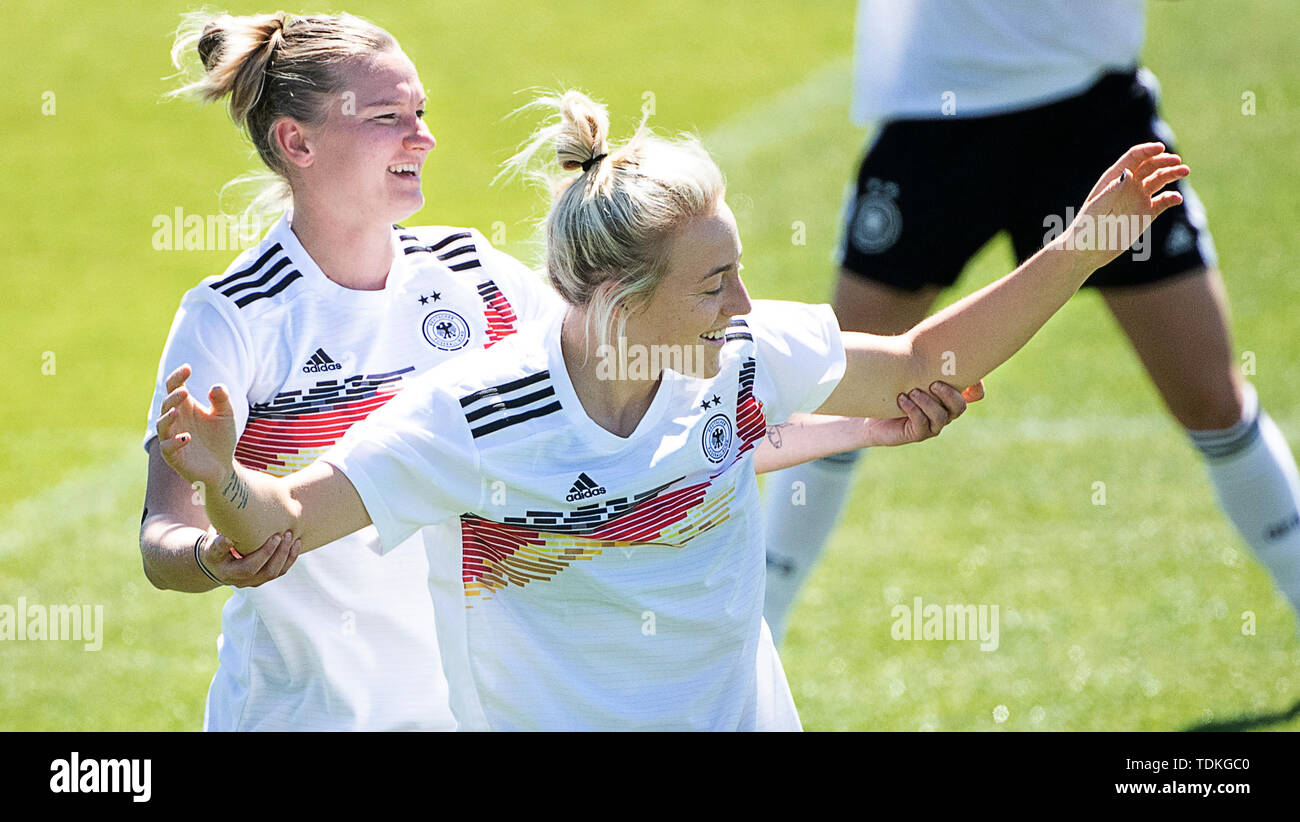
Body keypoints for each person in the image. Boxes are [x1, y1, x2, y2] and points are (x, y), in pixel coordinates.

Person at [154, 87, 1185, 730]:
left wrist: (1088, 240)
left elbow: (926, 356)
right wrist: (220, 478)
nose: (741, 308)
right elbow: (281, 525)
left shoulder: (736, 356)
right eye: (712, 284)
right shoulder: (476, 415)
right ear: (615, 302)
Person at [762, 0, 1300, 644]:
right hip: (934, 111)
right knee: (831, 395)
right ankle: (753, 637)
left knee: (1210, 395)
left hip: (1090, 110)